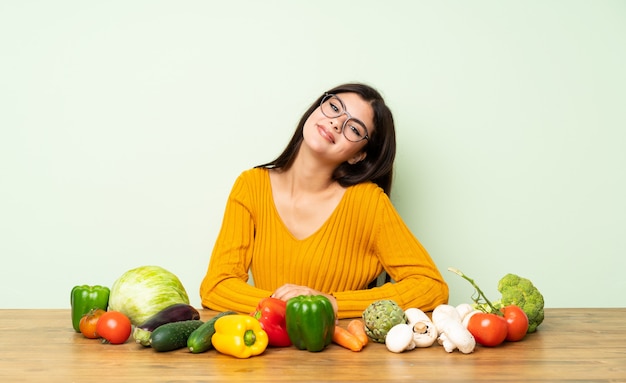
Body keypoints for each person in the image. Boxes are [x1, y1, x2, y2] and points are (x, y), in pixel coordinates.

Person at [200, 83, 448, 319]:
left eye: (354, 128)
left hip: (340, 356)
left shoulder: (367, 202)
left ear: (359, 155)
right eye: (335, 107)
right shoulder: (251, 185)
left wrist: (330, 302)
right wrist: (284, 307)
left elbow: (431, 287)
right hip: (264, 353)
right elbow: (216, 286)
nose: (337, 122)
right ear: (318, 107)